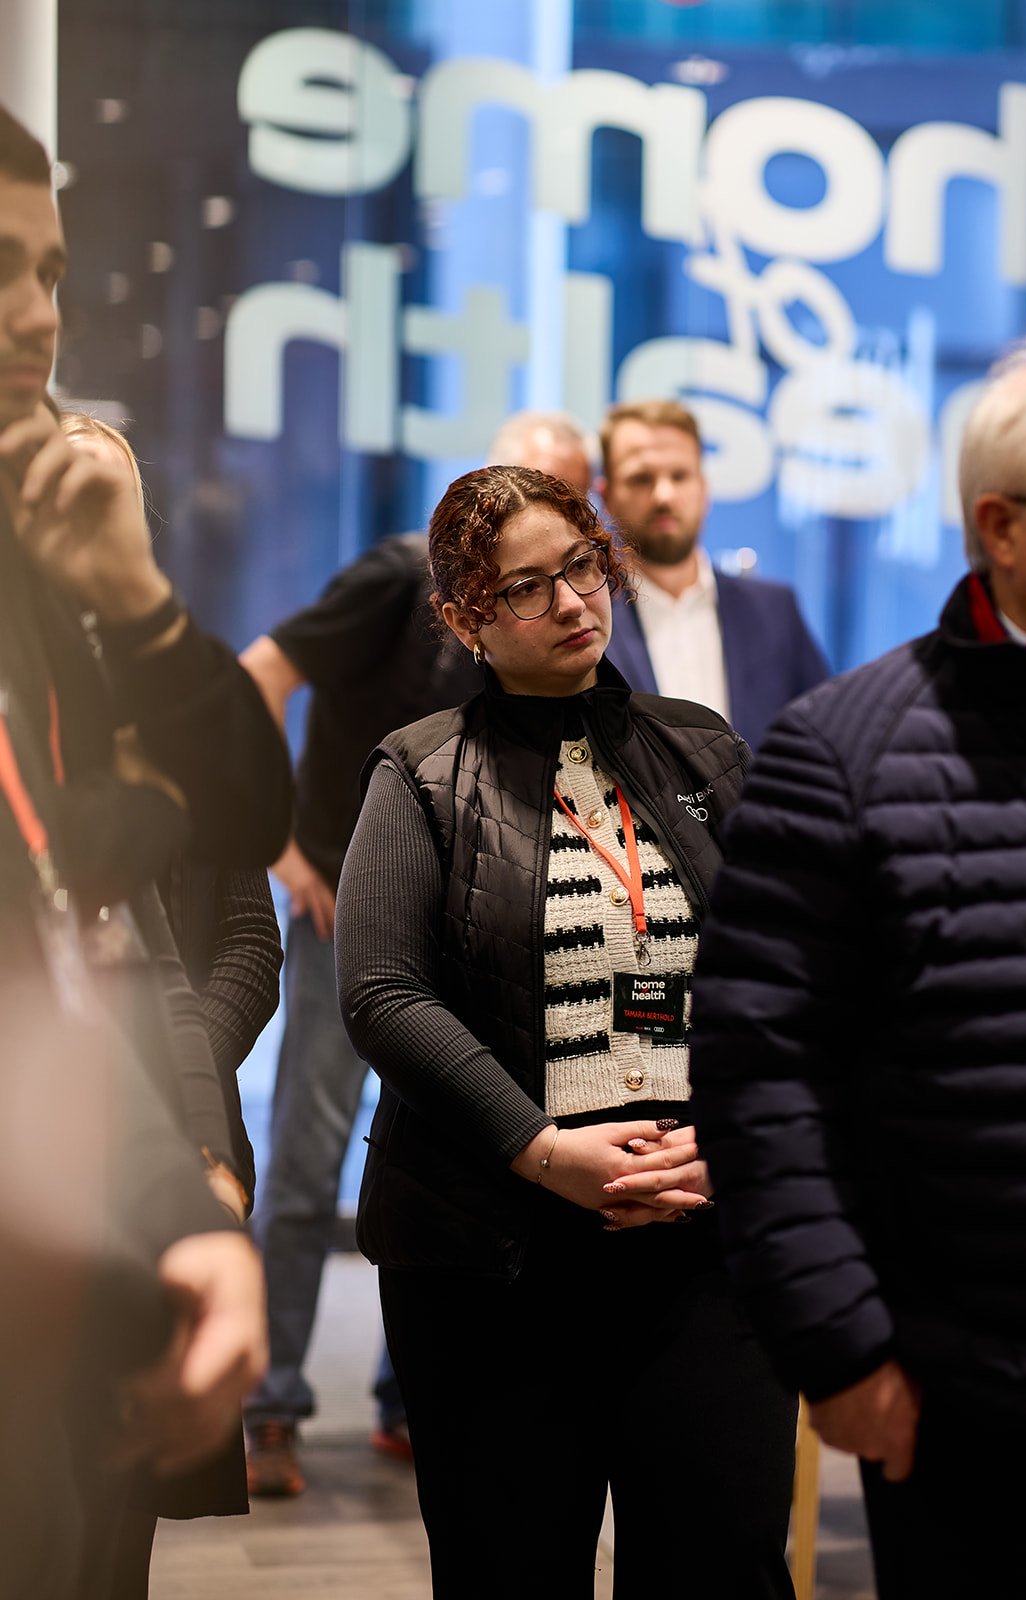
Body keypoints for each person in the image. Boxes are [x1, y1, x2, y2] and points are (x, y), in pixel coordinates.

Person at [336, 464, 798, 1600]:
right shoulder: (421, 767)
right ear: (464, 619)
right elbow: (384, 994)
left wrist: (727, 1138)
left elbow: (780, 970)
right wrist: (546, 1153)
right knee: (510, 1569)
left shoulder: (702, 750)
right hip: (494, 1259)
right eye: (528, 588)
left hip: (698, 1239)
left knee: (722, 1564)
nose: (574, 603)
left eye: (583, 568)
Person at [687, 332, 1026, 1600]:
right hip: (975, 1395)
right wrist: (840, 1344)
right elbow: (758, 1073)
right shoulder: (841, 752)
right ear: (999, 528)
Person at [0, 104, 291, 1596]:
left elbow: (231, 829)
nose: (36, 315)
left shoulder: (42, 596)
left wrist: (132, 594)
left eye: (51, 271)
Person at [240, 411, 595, 1493]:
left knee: (459, 1147)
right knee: (305, 1157)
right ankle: (271, 1407)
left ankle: (409, 1397)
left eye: (572, 521)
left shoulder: (563, 632)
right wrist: (283, 846)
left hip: (466, 924)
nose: (552, 567)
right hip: (344, 913)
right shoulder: (396, 577)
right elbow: (259, 671)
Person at [60, 412, 285, 1593]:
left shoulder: (179, 692)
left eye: (114, 498)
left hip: (180, 1134)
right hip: (55, 1145)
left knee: (119, 1518)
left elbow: (244, 938)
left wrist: (185, 1072)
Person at [599, 399, 828, 746]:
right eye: (641, 478)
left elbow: (827, 737)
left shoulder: (775, 611)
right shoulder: (588, 620)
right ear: (607, 496)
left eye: (680, 475)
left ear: (703, 488)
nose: (664, 495)